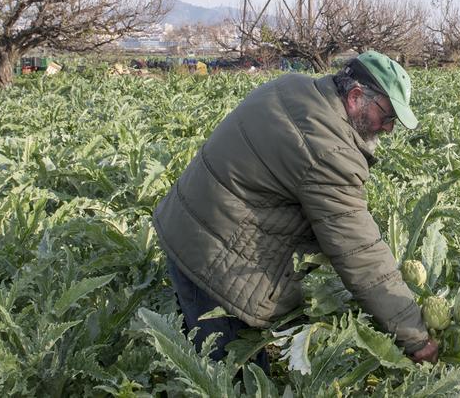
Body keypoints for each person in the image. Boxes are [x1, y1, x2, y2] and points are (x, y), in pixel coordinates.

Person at [152, 50, 440, 367]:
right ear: (356, 96)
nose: (388, 129)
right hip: (216, 267)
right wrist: (414, 336)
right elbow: (358, 250)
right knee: (231, 379)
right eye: (387, 117)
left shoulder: (293, 88)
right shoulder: (327, 150)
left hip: (188, 228)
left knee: (205, 360)